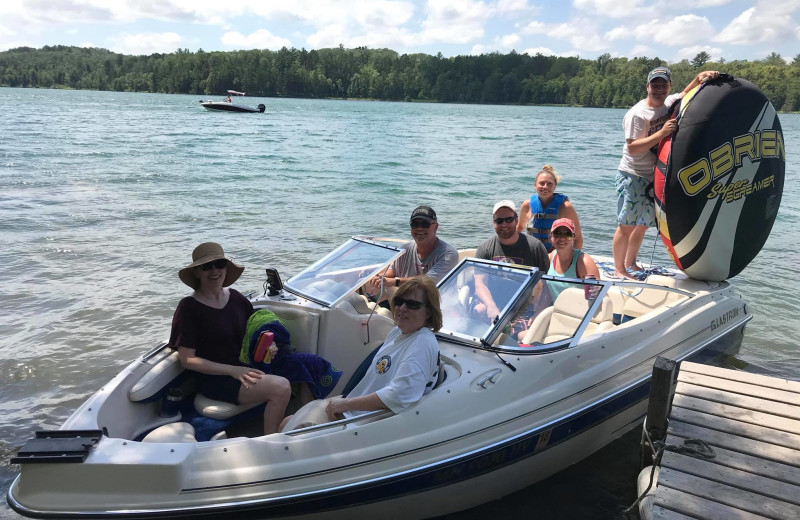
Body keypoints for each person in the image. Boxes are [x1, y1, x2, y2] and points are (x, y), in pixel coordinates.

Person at [281, 276, 442, 431]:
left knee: (289, 427)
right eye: (400, 301)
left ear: (429, 312)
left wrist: (347, 404)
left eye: (413, 304)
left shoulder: (422, 343)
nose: (402, 308)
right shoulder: (398, 332)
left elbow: (399, 394)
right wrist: (346, 403)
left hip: (366, 421)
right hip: (355, 411)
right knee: (287, 423)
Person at [169, 242, 291, 434]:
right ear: (196, 273)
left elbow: (256, 330)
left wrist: (270, 345)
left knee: (305, 364)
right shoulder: (188, 308)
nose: (214, 270)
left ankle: (308, 423)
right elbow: (187, 360)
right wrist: (232, 370)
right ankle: (272, 442)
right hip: (217, 379)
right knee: (281, 387)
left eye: (219, 264)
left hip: (244, 366)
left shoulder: (235, 298)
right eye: (206, 266)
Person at [614, 67, 719, 279]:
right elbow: (632, 147)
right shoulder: (638, 114)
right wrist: (662, 133)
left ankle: (631, 263)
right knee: (626, 226)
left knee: (643, 224)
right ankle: (619, 269)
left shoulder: (669, 102)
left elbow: (686, 93)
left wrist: (700, 77)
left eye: (664, 85)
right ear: (647, 87)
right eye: (655, 85)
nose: (659, 89)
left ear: (669, 86)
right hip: (632, 174)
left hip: (652, 175)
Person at [473, 200, 550, 320]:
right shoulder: (485, 249)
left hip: (523, 307)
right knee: (475, 314)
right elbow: (480, 284)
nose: (504, 224)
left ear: (517, 220)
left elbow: (545, 285)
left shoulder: (535, 247)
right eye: (499, 221)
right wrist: (490, 305)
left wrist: (537, 313)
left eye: (509, 219)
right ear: (494, 223)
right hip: (493, 302)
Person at [366, 205, 458, 297]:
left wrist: (394, 281)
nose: (419, 228)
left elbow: (427, 282)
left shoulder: (448, 254)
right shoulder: (404, 249)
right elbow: (392, 271)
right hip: (409, 301)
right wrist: (377, 277)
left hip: (438, 304)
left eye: (425, 224)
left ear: (435, 227)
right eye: (415, 224)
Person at [517, 165, 583, 252]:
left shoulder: (565, 207)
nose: (545, 187)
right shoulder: (527, 205)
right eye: (542, 183)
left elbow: (578, 239)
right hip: (533, 252)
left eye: (549, 184)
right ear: (535, 185)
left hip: (557, 254)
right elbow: (518, 230)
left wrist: (572, 260)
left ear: (555, 186)